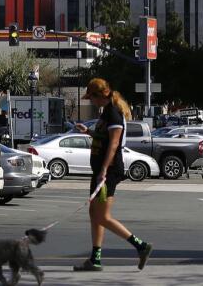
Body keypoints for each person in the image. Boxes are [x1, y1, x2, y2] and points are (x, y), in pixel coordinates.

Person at [72, 78, 152, 272]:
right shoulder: (106, 113)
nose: (91, 101)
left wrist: (104, 170)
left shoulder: (114, 114)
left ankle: (141, 246)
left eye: (91, 98)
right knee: (94, 213)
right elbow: (104, 138)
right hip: (100, 169)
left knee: (103, 216)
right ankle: (95, 259)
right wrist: (89, 132)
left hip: (108, 170)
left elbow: (114, 144)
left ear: (100, 96)